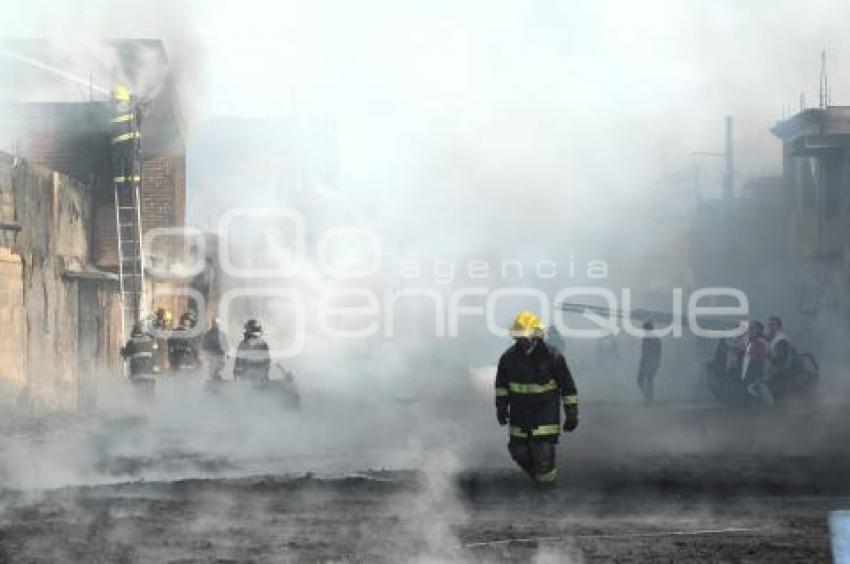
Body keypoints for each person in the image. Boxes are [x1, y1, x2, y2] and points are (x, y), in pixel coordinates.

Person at [495, 311, 578, 484]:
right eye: (517, 337)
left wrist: (572, 413)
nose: (520, 341)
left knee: (543, 453)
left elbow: (568, 387)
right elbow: (502, 386)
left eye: (523, 337)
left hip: (545, 413)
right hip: (520, 414)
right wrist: (501, 408)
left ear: (534, 335)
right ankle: (540, 480)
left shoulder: (553, 356)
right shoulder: (508, 357)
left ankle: (547, 492)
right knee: (518, 452)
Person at [121, 320, 158, 399]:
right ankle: (150, 409)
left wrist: (122, 351)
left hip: (137, 373)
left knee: (138, 395)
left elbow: (125, 355)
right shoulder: (151, 341)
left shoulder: (131, 342)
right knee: (150, 395)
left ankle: (140, 408)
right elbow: (155, 353)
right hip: (150, 374)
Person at [742, 321, 770, 403]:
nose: (750, 330)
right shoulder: (750, 342)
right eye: (749, 328)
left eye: (752, 328)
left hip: (757, 373)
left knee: (760, 393)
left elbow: (762, 361)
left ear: (758, 330)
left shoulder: (761, 343)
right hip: (751, 373)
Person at [637, 320, 662, 404]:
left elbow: (657, 352)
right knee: (641, 381)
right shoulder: (647, 338)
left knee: (648, 381)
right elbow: (644, 351)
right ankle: (648, 398)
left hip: (651, 362)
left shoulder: (655, 339)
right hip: (646, 362)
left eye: (645, 329)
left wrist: (656, 363)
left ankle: (649, 399)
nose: (645, 331)